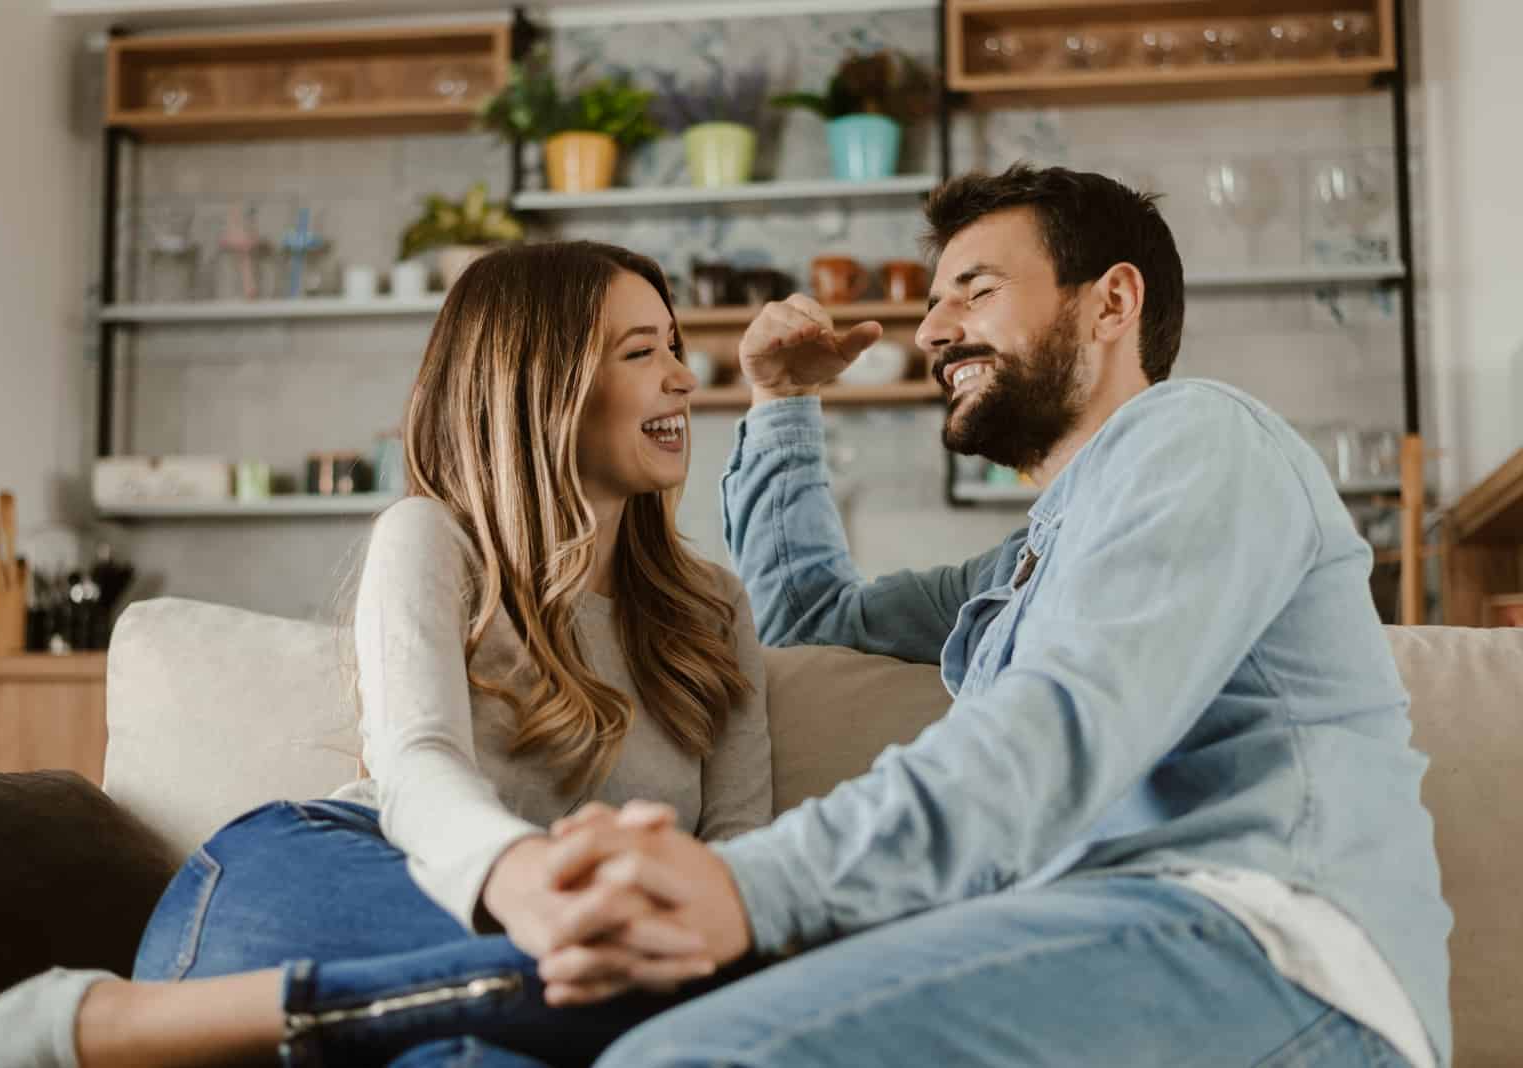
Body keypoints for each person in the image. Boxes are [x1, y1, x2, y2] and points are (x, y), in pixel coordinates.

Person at [525, 164, 1454, 1068]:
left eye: (975, 291)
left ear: (1112, 303)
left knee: (694, 1054)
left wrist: (751, 886)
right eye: (934, 301)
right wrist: (783, 399)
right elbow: (807, 619)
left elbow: (1058, 727)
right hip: (1092, 941)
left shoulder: (1201, 437)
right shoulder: (1030, 558)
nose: (934, 329)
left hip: (1273, 953)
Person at [0, 240, 772, 1068]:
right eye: (639, 352)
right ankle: (97, 1027)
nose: (683, 378)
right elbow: (417, 763)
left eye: (674, 347)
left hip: (532, 948)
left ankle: (78, 1032)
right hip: (325, 877)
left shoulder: (713, 609)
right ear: (539, 387)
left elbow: (746, 849)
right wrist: (519, 877)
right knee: (638, 976)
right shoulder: (434, 539)